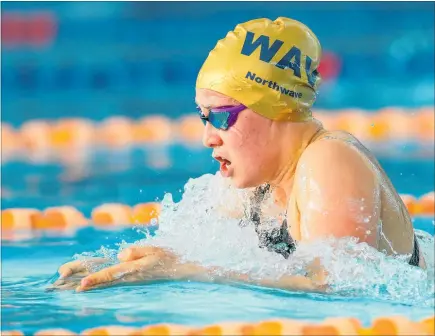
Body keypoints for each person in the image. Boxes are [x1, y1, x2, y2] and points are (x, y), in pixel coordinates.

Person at [52, 17, 425, 293]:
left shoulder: (329, 160)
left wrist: (188, 271)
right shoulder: (254, 186)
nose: (207, 138)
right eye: (203, 118)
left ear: (275, 107)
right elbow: (199, 254)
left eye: (220, 116)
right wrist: (121, 268)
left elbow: (345, 287)